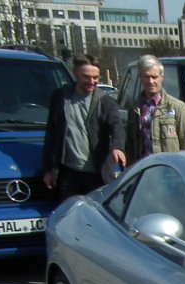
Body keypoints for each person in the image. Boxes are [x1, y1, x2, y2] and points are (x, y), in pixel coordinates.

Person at [43, 54, 125, 200]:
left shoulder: (105, 102)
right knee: (69, 217)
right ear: (75, 74)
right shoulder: (60, 98)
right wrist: (49, 170)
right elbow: (51, 135)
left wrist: (117, 147)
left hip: (98, 174)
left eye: (96, 78)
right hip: (68, 173)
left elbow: (117, 126)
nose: (92, 82)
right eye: (86, 77)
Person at [124, 54, 185, 164]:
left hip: (169, 171)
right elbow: (129, 146)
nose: (151, 81)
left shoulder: (178, 107)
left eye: (154, 77)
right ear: (140, 78)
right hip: (143, 171)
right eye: (146, 77)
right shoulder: (134, 108)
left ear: (161, 77)